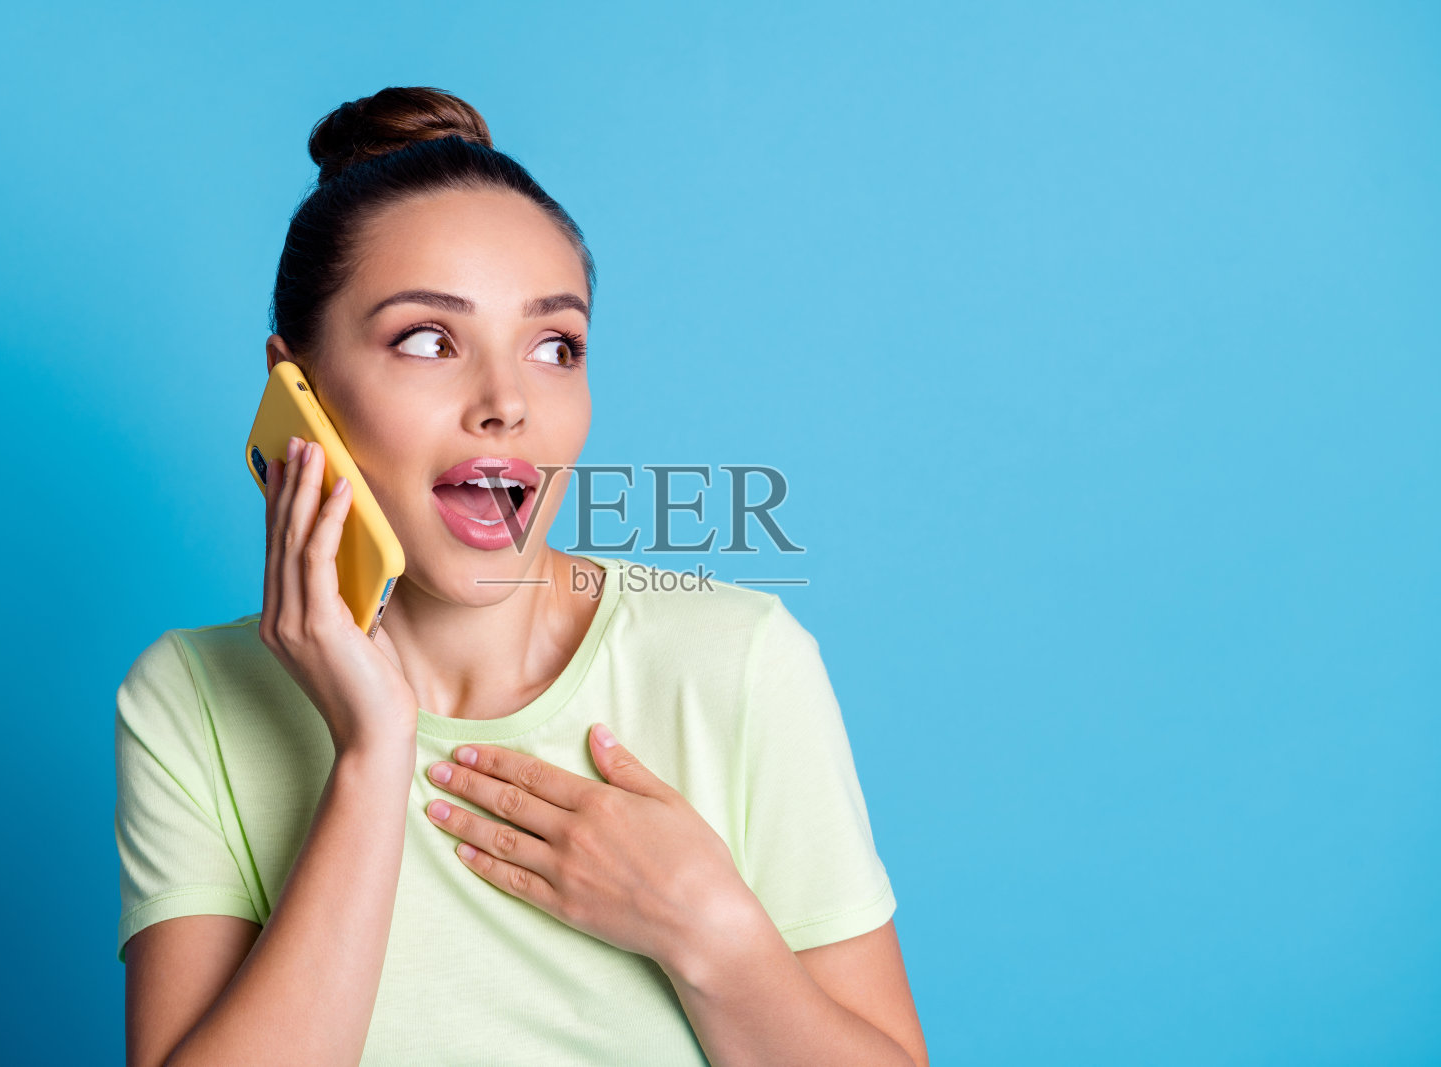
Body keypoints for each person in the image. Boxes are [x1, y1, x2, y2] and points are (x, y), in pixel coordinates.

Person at [114, 86, 928, 1067]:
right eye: (426, 338)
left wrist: (712, 931)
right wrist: (372, 758)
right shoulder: (193, 698)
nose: (506, 403)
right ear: (298, 387)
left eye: (555, 346)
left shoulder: (738, 663)